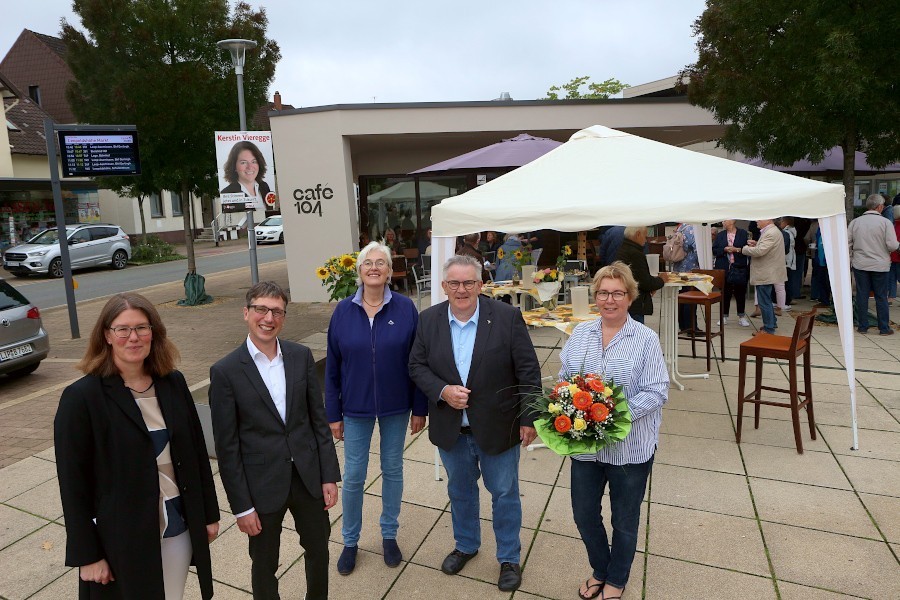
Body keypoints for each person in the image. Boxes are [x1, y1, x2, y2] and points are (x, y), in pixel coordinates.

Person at [55, 293, 219, 599]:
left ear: (153, 332)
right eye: (123, 329)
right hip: (122, 538)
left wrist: (207, 513)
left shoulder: (173, 383)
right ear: (106, 335)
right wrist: (87, 555)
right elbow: (72, 484)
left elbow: (196, 452)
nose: (134, 337)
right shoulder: (82, 398)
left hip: (177, 528)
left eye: (142, 328)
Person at [408, 254, 541, 592]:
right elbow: (416, 366)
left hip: (499, 426)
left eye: (469, 282)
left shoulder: (507, 317)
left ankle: (509, 557)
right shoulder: (428, 320)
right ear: (444, 286)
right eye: (454, 283)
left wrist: (529, 417)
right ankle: (466, 545)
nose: (462, 289)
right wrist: (442, 391)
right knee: (460, 491)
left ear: (481, 285)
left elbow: (528, 370)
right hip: (452, 428)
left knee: (505, 493)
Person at [209, 281, 340, 600]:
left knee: (318, 550)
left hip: (308, 478)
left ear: (284, 316)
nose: (269, 318)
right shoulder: (225, 372)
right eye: (261, 309)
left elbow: (317, 421)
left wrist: (329, 475)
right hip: (261, 485)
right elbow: (228, 448)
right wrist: (241, 507)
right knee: (265, 562)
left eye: (277, 311)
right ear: (246, 312)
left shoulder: (300, 356)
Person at [559, 262, 669, 600]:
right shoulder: (580, 334)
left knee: (624, 519)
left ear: (630, 297)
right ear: (596, 296)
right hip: (586, 447)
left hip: (630, 448)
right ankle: (601, 569)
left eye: (617, 293)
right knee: (583, 513)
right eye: (604, 293)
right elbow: (565, 377)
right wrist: (569, 403)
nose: (610, 299)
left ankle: (616, 579)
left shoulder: (646, 339)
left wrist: (611, 416)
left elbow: (656, 391)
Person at [325, 242, 428, 575]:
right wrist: (333, 413)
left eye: (380, 262)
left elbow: (417, 360)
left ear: (389, 270)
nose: (373, 268)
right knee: (354, 476)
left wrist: (419, 406)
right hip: (354, 408)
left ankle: (389, 534)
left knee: (393, 469)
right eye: (367, 263)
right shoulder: (342, 311)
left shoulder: (405, 308)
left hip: (396, 406)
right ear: (359, 271)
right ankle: (350, 540)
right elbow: (332, 367)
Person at [847, 194, 899, 335]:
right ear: (880, 206)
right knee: (881, 296)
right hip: (880, 265)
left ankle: (862, 326)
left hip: (860, 264)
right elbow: (893, 245)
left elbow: (847, 243)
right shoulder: (885, 223)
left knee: (862, 295)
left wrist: (852, 257)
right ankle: (883, 328)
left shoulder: (855, 222)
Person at [740, 218, 786, 334]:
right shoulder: (771, 231)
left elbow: (760, 251)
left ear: (768, 220)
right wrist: (757, 244)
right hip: (768, 271)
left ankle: (768, 328)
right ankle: (772, 322)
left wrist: (744, 249)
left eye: (759, 219)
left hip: (766, 272)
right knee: (766, 299)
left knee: (763, 301)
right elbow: (765, 248)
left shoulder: (771, 232)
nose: (756, 221)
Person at [614, 226, 663, 324]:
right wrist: (661, 280)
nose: (645, 240)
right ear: (638, 234)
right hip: (635, 303)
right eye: (645, 236)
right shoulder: (635, 253)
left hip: (626, 300)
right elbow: (644, 282)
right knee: (635, 334)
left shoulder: (624, 249)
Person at [713, 220, 751, 327]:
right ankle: (724, 316)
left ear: (732, 221)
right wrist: (724, 249)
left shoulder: (743, 233)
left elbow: (748, 249)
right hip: (724, 267)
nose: (723, 222)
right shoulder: (720, 235)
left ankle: (741, 316)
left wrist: (736, 250)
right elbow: (714, 250)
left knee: (740, 292)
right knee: (725, 292)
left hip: (739, 267)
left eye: (725, 220)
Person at [670, 223, 699, 333]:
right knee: (690, 298)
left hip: (678, 268)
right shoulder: (692, 229)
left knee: (681, 298)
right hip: (690, 269)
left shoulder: (681, 228)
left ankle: (682, 325)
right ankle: (691, 327)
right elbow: (696, 249)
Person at [781, 217, 801, 305]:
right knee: (788, 280)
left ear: (786, 223)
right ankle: (787, 299)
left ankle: (787, 300)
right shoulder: (791, 233)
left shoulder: (787, 233)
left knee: (786, 281)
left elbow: (786, 248)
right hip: (790, 260)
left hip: (786, 260)